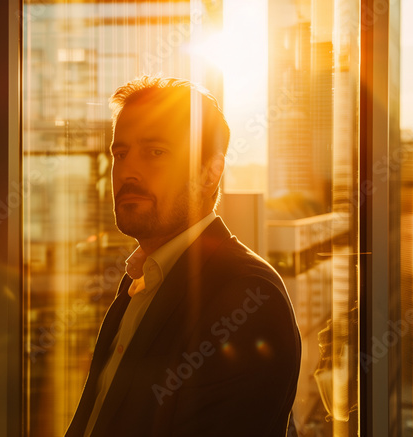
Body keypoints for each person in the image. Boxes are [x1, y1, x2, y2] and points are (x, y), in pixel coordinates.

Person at [66, 77, 302, 437]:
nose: (127, 171)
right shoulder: (139, 279)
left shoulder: (249, 295)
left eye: (155, 152)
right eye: (121, 153)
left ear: (211, 172)